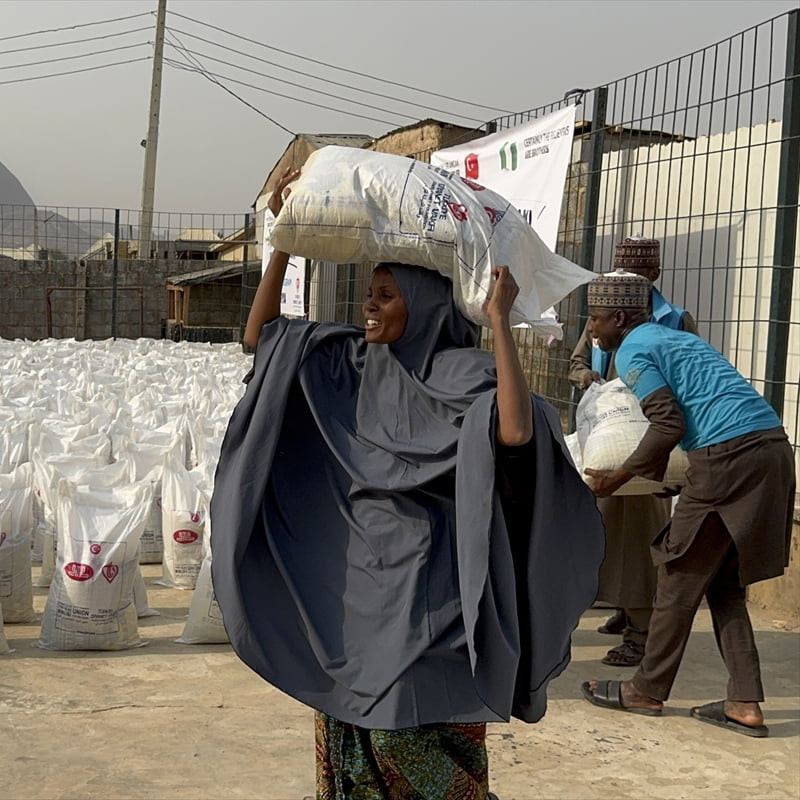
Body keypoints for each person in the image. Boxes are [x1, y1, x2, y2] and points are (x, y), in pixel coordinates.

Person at [212, 170, 605, 800]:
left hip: (431, 590)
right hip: (356, 586)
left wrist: (501, 322)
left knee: (409, 730)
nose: (370, 306)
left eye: (387, 296)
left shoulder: (462, 372)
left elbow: (513, 431)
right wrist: (283, 239)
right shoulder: (347, 362)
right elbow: (261, 341)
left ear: (421, 304)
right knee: (343, 723)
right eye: (370, 293)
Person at [580, 270, 794, 738]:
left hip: (729, 456)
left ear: (619, 317)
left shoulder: (634, 347)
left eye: (595, 319)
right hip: (772, 449)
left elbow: (667, 424)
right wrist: (664, 478)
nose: (591, 329)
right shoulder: (674, 339)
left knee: (676, 575)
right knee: (723, 583)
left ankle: (645, 690)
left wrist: (620, 476)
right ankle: (744, 701)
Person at [567, 237, 698, 667]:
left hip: (650, 443)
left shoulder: (673, 322)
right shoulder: (603, 313)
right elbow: (578, 362)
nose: (627, 281)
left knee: (639, 537)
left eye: (635, 275)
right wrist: (588, 378)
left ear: (652, 277)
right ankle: (625, 612)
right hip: (610, 438)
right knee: (606, 532)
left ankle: (641, 633)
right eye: (621, 272)